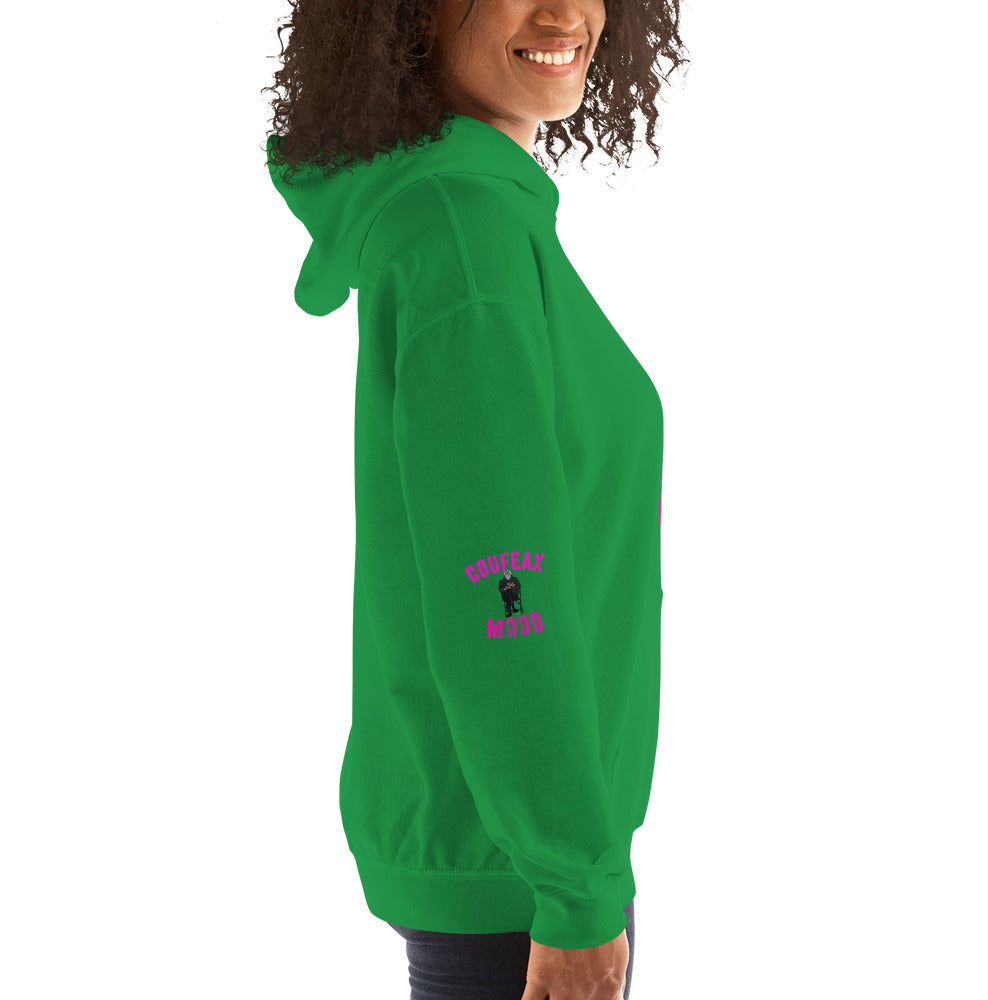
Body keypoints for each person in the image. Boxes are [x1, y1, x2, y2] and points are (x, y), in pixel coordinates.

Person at [264, 2, 686, 997]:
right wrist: (575, 886)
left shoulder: (469, 212)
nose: (564, 12)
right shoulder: (466, 232)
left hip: (511, 856)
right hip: (526, 887)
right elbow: (502, 592)